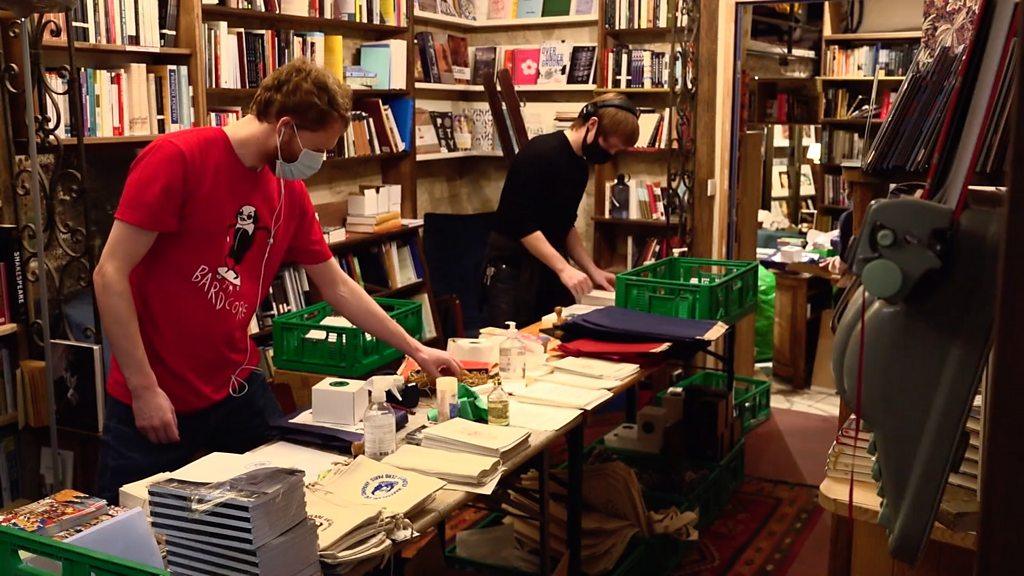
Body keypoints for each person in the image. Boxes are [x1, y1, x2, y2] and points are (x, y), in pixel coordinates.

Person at [93, 59, 460, 501]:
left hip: (234, 385)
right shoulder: (177, 159)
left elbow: (338, 286)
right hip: (155, 394)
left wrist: (416, 350)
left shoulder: (290, 191)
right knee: (133, 535)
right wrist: (143, 388)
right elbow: (109, 274)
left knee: (285, 506)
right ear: (285, 127)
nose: (319, 161)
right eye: (317, 147)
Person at [483, 94, 640, 327]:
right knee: (510, 346)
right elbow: (524, 226)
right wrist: (564, 268)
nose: (610, 154)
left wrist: (592, 270)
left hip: (545, 269)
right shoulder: (539, 153)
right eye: (609, 145)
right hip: (512, 271)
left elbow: (565, 225)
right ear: (592, 124)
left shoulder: (579, 167)